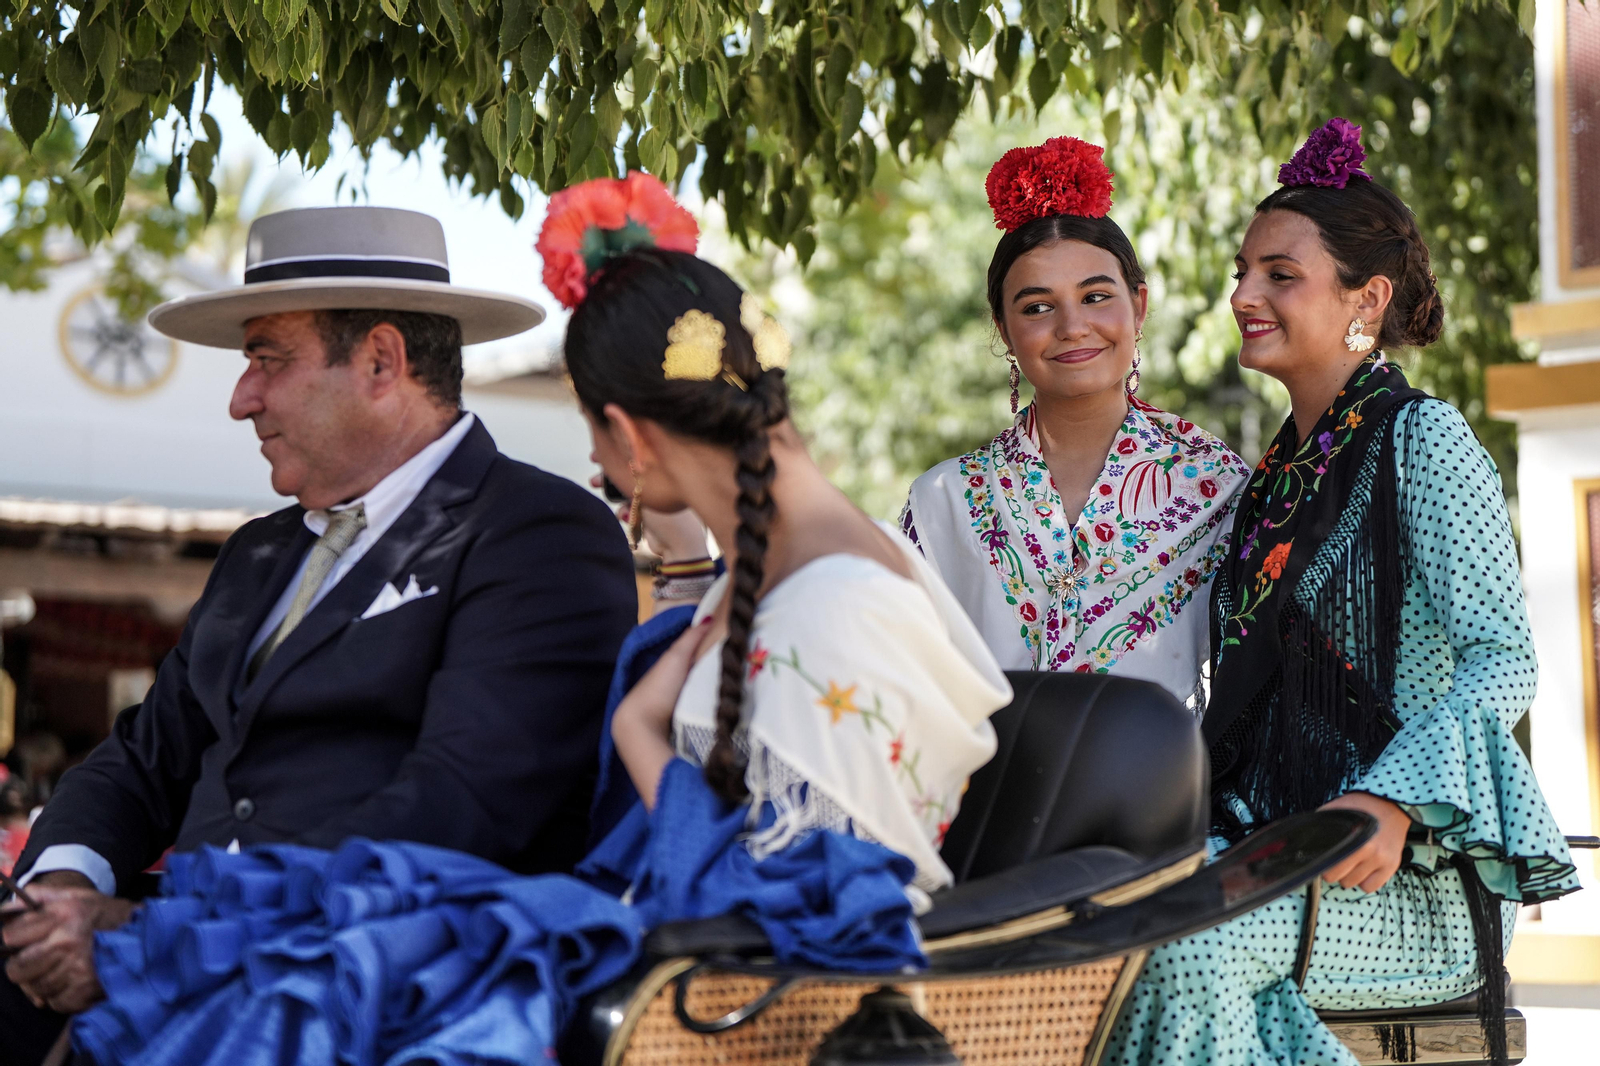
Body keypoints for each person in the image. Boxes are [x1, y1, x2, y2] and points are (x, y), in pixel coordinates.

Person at [60, 172, 1011, 1066]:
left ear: (628, 437)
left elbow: (810, 910)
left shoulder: (827, 604)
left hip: (720, 1005)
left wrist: (642, 725)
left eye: (595, 435)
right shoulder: (786, 584)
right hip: (668, 965)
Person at [0, 206, 639, 1061]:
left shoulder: (537, 533)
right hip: (169, 988)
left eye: (268, 358)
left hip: (362, 1006)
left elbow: (454, 816)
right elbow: (143, 758)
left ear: (382, 359)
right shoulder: (259, 551)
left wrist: (150, 933)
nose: (240, 398)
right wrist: (63, 891)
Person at [1107, 119, 1580, 1066]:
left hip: (1402, 881)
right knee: (1093, 927)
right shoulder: (1274, 479)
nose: (1244, 295)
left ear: (1367, 299)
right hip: (1271, 847)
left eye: (1280, 275)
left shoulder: (1425, 441)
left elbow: (1503, 662)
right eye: (1244, 271)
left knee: (1177, 957)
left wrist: (1392, 801)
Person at [902, 136, 1249, 702]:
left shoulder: (1219, 488)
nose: (1071, 326)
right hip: (989, 789)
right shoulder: (944, 501)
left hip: (1166, 789)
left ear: (1137, 306)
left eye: (1094, 297)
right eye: (1037, 307)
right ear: (1002, 328)